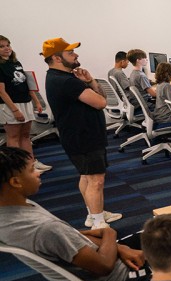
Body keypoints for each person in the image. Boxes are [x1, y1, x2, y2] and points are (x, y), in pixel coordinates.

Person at [0, 146, 144, 281]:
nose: (38, 173)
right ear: (16, 182)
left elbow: (71, 238)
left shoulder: (11, 212)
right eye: (31, 170)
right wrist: (110, 233)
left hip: (102, 258)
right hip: (118, 279)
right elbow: (104, 267)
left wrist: (120, 248)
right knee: (166, 249)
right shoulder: (43, 228)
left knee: (163, 231)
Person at [43, 38, 121, 228]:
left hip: (77, 136)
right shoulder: (66, 82)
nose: (76, 55)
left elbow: (98, 100)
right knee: (96, 180)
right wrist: (90, 83)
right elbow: (102, 102)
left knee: (86, 176)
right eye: (70, 53)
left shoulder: (57, 77)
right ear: (57, 58)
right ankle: (98, 224)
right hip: (84, 137)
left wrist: (90, 81)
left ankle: (94, 214)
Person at [0, 36, 50, 172]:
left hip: (25, 101)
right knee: (14, 136)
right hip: (10, 105)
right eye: (2, 46)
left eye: (8, 45)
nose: (7, 48)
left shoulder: (16, 63)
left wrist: (36, 101)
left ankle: (31, 163)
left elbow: (27, 84)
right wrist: (15, 110)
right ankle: (18, 167)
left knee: (26, 135)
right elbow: (2, 92)